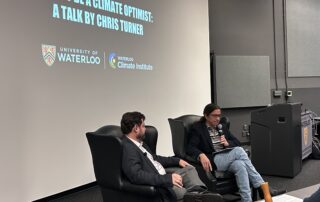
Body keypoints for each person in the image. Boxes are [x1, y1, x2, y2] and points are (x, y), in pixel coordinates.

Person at [186, 103, 286, 202]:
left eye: (219, 115)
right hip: (213, 159)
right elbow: (190, 147)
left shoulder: (222, 127)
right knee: (239, 151)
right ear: (206, 115)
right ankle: (262, 187)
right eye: (214, 115)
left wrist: (227, 143)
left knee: (240, 165)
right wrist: (201, 155)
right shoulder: (198, 129)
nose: (217, 118)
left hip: (227, 157)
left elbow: (237, 142)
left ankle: (246, 200)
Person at [121, 111, 222, 202]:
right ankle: (197, 197)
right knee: (181, 191)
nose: (145, 129)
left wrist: (177, 161)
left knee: (189, 169)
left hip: (163, 173)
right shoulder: (128, 148)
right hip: (159, 182)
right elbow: (136, 175)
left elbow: (154, 158)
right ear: (136, 128)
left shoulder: (139, 142)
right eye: (143, 126)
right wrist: (168, 179)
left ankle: (198, 195)